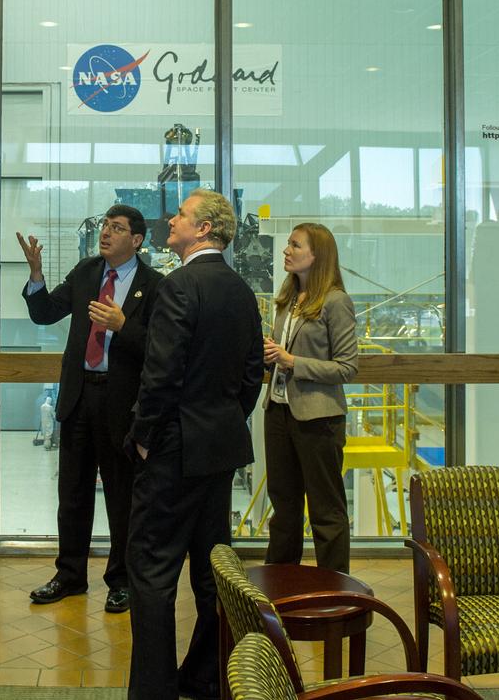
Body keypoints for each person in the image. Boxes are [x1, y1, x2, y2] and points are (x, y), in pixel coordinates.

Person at [125, 189, 264, 700]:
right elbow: (252, 375)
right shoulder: (241, 291)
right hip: (219, 450)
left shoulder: (179, 287)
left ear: (204, 229)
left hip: (172, 453)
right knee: (212, 574)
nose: (172, 219)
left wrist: (143, 438)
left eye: (181, 214)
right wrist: (223, 421)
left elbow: (160, 375)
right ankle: (205, 677)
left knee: (153, 571)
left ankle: (153, 691)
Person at [17, 204, 162, 614]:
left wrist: (122, 326)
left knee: (122, 498)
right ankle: (69, 575)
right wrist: (36, 275)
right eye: (105, 226)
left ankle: (121, 581)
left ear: (136, 240)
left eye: (117, 228)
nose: (106, 233)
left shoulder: (153, 285)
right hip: (80, 397)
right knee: (73, 494)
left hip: (122, 404)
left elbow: (159, 346)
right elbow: (45, 314)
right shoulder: (86, 272)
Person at [262, 222, 359, 573]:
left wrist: (292, 362)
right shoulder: (287, 301)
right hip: (278, 413)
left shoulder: (335, 302)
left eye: (295, 245)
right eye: (288, 244)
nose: (286, 251)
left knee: (326, 513)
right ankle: (280, 591)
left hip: (319, 419)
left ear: (317, 256)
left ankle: (334, 594)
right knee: (284, 509)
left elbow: (347, 368)